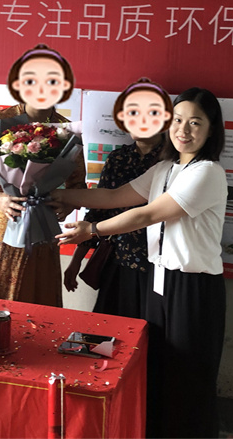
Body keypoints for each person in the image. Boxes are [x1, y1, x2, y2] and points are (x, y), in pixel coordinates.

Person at [53, 87, 227, 438]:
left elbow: (146, 214)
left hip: (192, 286)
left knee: (188, 375)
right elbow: (114, 196)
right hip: (158, 280)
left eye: (195, 122)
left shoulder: (207, 172)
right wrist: (51, 194)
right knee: (156, 366)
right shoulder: (165, 168)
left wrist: (92, 230)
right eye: (178, 120)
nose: (184, 130)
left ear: (211, 130)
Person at [0, 44, 86, 307]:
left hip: (40, 229)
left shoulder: (67, 130)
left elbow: (78, 185)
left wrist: (64, 205)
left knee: (34, 307)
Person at [63, 78, 173, 318]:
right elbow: (97, 210)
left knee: (152, 330)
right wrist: (76, 260)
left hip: (159, 265)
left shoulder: (173, 162)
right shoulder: (117, 159)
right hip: (118, 259)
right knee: (110, 327)